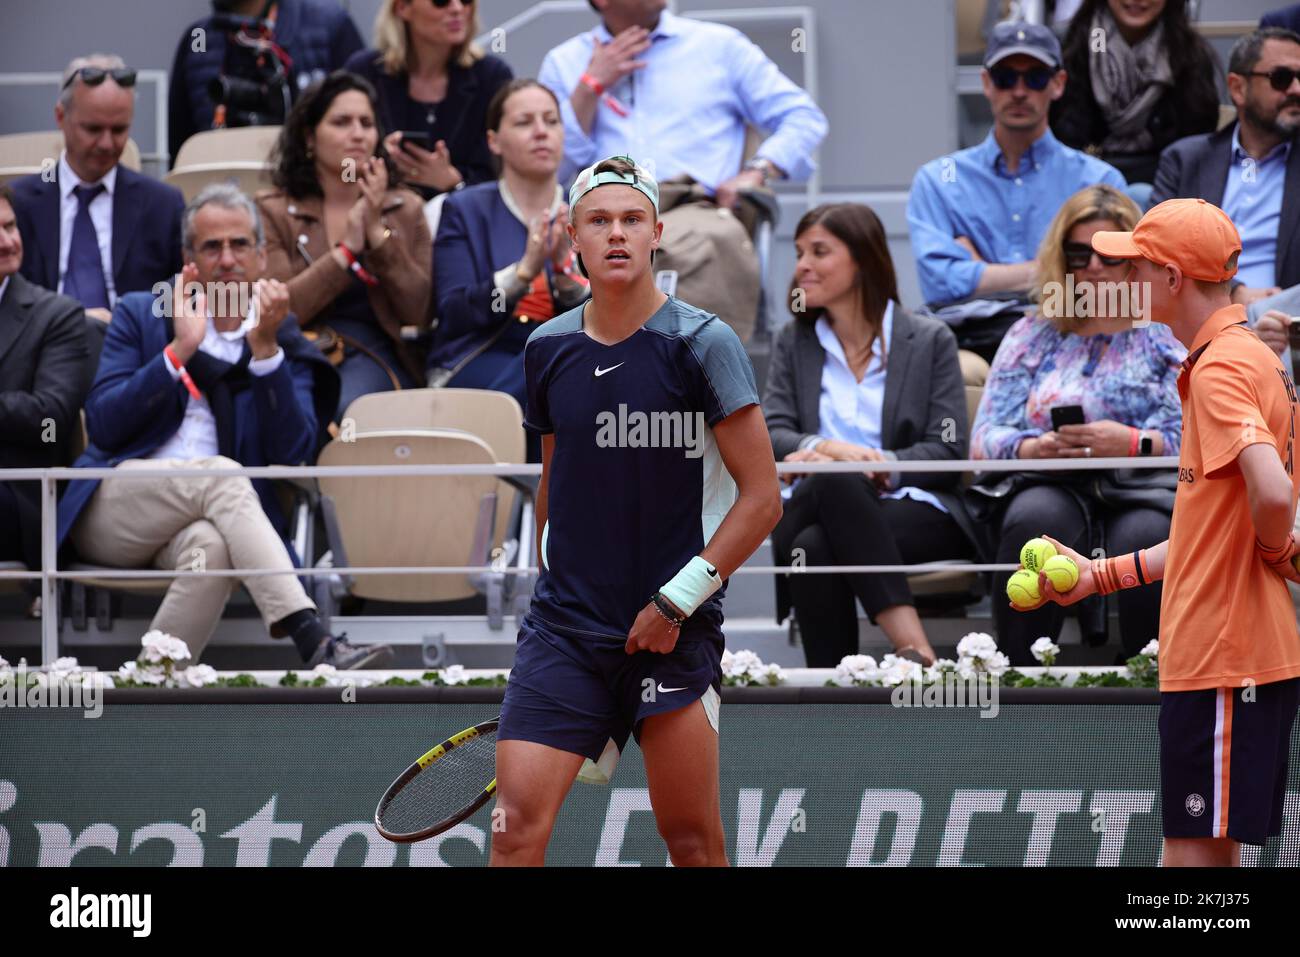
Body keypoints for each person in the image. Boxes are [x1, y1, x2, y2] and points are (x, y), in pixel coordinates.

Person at [491, 156, 782, 866]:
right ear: (573, 238)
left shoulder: (704, 344)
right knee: (515, 833)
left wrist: (674, 602)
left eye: (630, 220)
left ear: (657, 234)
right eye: (599, 221)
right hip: (565, 633)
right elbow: (556, 478)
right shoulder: (546, 348)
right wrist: (555, 585)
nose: (616, 234)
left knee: (691, 840)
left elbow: (763, 498)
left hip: (674, 630)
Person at [1022, 198, 1300, 867]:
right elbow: (1211, 536)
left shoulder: (1221, 368)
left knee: (1187, 872)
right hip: (1229, 659)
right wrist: (1099, 575)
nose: (1122, 280)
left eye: (1136, 266)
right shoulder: (1238, 357)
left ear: (1174, 278)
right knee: (1208, 864)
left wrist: (1272, 544)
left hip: (1225, 660)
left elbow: (1274, 492)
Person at [57, 183, 388, 669]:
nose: (227, 259)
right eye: (212, 246)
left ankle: (151, 681)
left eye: (239, 245)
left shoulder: (279, 333)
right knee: (221, 472)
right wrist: (179, 351)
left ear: (260, 256)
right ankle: (311, 635)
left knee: (211, 548)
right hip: (116, 507)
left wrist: (265, 352)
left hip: (203, 523)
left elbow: (292, 453)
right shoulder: (142, 314)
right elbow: (104, 426)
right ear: (188, 258)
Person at [970, 185, 1185, 665]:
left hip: (1144, 486)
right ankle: (1017, 673)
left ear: (1137, 258)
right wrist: (1035, 448)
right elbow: (983, 438)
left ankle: (1155, 678)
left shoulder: (1164, 332)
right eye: (1077, 253)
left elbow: (1198, 433)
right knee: (1034, 523)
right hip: (1051, 479)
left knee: (1144, 536)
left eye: (1108, 255)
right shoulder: (1032, 332)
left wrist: (1132, 441)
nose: (1091, 267)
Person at [764, 203, 981, 668]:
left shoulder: (928, 339)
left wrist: (875, 464)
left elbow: (947, 449)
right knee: (835, 481)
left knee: (816, 547)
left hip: (912, 509)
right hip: (810, 498)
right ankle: (915, 649)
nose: (801, 264)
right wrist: (827, 450)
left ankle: (834, 693)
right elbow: (772, 431)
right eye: (800, 251)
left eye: (819, 251)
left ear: (863, 259)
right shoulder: (793, 341)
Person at [907, 20, 1125, 354]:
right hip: (975, 340)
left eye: (1035, 77)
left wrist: (982, 273)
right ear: (986, 83)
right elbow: (942, 283)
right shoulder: (938, 179)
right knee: (961, 372)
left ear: (1058, 83)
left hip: (1073, 335)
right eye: (1005, 77)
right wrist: (1058, 268)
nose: (1019, 91)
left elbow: (1113, 286)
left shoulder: (1100, 180)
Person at [258, 71, 432, 420]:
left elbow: (420, 310)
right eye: (341, 122)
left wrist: (376, 233)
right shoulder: (272, 209)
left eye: (366, 123)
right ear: (309, 137)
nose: (357, 134)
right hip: (293, 347)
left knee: (342, 412)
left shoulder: (405, 207)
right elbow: (280, 311)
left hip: (371, 352)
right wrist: (346, 252)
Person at [538, 0, 826, 204]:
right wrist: (589, 88)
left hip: (698, 216)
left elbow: (803, 117)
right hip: (601, 221)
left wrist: (758, 171)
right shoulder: (563, 63)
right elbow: (550, 173)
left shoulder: (720, 47)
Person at [428, 79, 589, 417]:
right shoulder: (465, 209)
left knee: (568, 361)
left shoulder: (589, 210)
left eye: (551, 120)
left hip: (567, 355)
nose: (541, 132)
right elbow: (454, 312)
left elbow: (607, 316)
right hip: (481, 354)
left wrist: (564, 273)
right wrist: (523, 272)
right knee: (553, 366)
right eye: (524, 122)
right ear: (494, 141)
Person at [1151, 27, 1300, 353]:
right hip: (1193, 329)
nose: (1296, 89)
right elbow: (1156, 254)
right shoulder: (1185, 160)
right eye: (1281, 78)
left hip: (1287, 334)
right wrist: (1233, 292)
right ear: (1238, 88)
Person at [10, 55, 185, 325]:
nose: (106, 143)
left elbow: (183, 296)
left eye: (119, 129)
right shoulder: (18, 205)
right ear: (60, 117)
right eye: (93, 129)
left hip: (132, 352)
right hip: (40, 351)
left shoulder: (163, 205)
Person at [0, 184, 90, 578]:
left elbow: (50, 422)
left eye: (10, 226)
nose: (7, 242)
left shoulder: (56, 315)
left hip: (18, 497)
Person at [344, 0, 514, 199]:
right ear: (403, 8)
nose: (457, 9)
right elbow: (339, 161)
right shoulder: (365, 72)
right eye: (441, 2)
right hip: (382, 214)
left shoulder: (491, 76)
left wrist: (453, 181)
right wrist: (378, 159)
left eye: (466, 1)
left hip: (465, 222)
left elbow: (505, 169)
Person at [168, 0, 364, 165]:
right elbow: (182, 152)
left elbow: (364, 120)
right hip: (224, 189)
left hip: (312, 192)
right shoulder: (198, 38)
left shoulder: (328, 23)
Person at [1051, 0, 1221, 186]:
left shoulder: (1191, 55)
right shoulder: (1069, 46)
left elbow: (1196, 149)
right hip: (1079, 183)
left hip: (1163, 189)